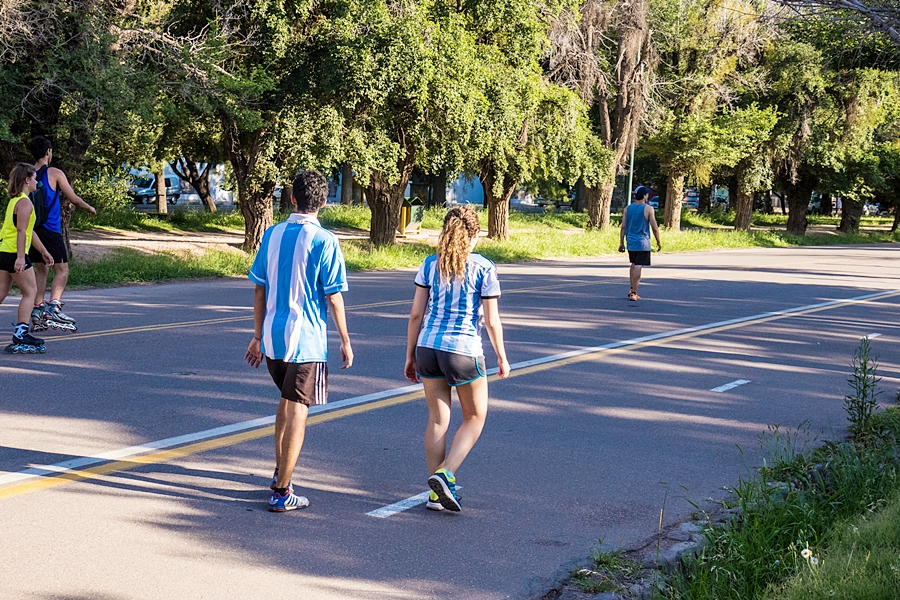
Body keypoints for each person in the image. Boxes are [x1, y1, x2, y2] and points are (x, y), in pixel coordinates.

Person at [244, 170, 353, 512]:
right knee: (298, 412)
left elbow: (259, 288)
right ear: (324, 202)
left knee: (285, 404)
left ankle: (281, 473)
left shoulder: (272, 234)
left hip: (274, 342)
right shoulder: (325, 241)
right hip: (306, 342)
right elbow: (334, 297)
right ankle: (282, 490)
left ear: (292, 198)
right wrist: (346, 340)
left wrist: (257, 335)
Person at [404, 205, 510, 512]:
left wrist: (410, 355)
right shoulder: (484, 268)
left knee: (438, 419)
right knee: (475, 418)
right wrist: (502, 357)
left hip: (427, 347)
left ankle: (436, 495)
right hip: (463, 349)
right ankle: (445, 474)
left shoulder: (429, 264)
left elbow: (415, 314)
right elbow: (491, 321)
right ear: (476, 234)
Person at [28, 136, 96, 333]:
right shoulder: (54, 173)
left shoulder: (28, 174)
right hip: (50, 230)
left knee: (42, 270)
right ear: (48, 151)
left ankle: (37, 312)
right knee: (62, 269)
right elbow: (73, 198)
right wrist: (89, 207)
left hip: (34, 230)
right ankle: (53, 307)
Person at [0, 163, 55, 353]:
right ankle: (21, 333)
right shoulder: (25, 203)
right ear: (27, 180)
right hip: (15, 254)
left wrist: (43, 251)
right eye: (35, 178)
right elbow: (22, 232)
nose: (37, 181)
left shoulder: (15, 201)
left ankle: (21, 333)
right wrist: (21, 258)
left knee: (1, 293)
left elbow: (29, 232)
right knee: (30, 292)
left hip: (4, 252)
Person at [618, 185, 661, 301]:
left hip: (630, 241)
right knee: (638, 265)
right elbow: (654, 227)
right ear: (645, 196)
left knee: (633, 263)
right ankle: (634, 292)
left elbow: (623, 227)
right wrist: (658, 241)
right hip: (643, 242)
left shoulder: (628, 208)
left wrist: (621, 242)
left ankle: (631, 288)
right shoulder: (648, 209)